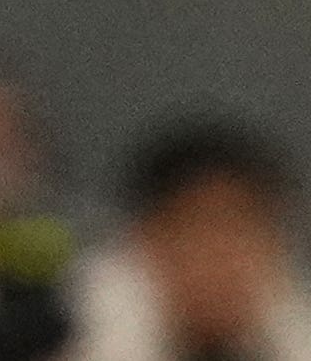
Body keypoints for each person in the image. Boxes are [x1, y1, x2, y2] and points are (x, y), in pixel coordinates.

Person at [70, 122, 311, 361]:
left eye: (244, 231)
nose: (224, 256)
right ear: (144, 238)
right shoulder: (55, 332)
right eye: (202, 227)